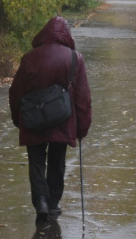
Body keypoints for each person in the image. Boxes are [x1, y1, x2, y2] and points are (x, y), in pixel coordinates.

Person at [9, 16, 92, 223]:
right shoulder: (75, 58)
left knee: (36, 161)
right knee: (57, 161)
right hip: (62, 119)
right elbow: (83, 97)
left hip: (33, 119)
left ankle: (41, 202)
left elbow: (16, 91)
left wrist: (18, 118)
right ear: (66, 35)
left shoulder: (30, 58)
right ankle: (53, 203)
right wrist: (82, 126)